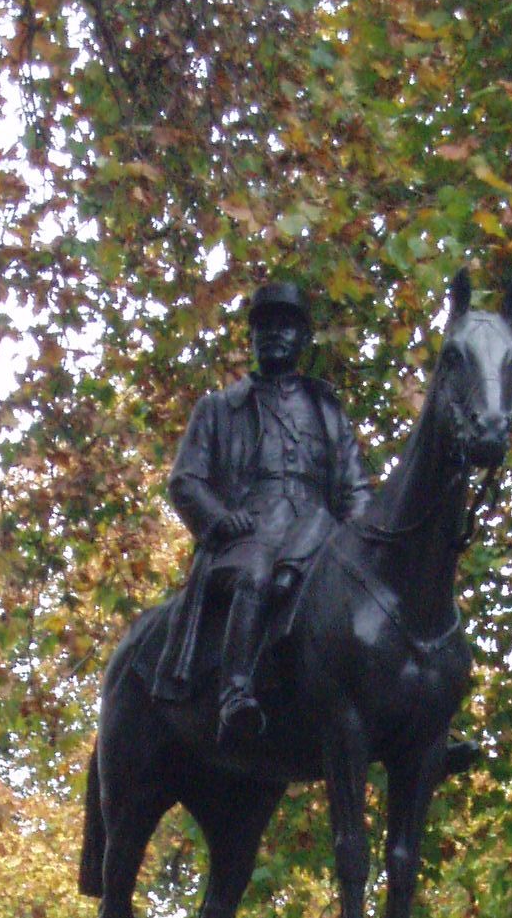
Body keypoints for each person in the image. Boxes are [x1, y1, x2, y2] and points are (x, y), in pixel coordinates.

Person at [157, 280, 371, 749]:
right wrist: (217, 518)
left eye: (287, 326)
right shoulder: (218, 409)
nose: (275, 334)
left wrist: (364, 540)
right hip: (251, 531)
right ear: (250, 339)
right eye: (265, 326)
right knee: (255, 574)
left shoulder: (326, 409)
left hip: (320, 530)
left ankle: (413, 718)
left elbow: (355, 487)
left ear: (303, 340)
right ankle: (235, 694)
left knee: (382, 599)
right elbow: (185, 480)